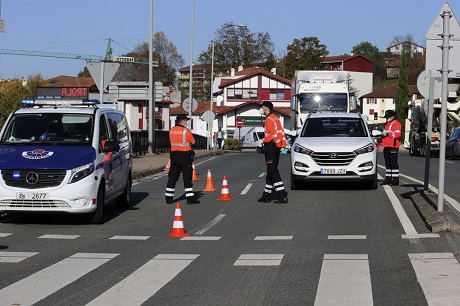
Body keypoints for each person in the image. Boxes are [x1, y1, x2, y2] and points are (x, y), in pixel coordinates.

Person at [165, 114, 200, 205]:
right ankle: (190, 199)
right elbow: (193, 142)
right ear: (183, 121)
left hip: (174, 156)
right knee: (187, 178)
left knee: (172, 177)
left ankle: (169, 198)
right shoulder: (186, 131)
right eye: (186, 121)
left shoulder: (171, 131)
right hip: (185, 156)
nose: (186, 122)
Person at [258, 101, 288, 204]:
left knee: (273, 171)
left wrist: (277, 144)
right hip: (275, 147)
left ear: (266, 108)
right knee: (271, 171)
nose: (261, 109)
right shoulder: (276, 118)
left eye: (262, 107)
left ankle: (282, 195)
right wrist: (282, 145)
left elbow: (274, 134)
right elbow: (281, 132)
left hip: (271, 146)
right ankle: (266, 196)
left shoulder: (269, 119)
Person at [381, 109, 402, 186]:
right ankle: (388, 178)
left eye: (388, 117)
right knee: (387, 164)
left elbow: (397, 135)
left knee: (393, 163)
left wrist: (387, 133)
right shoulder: (387, 123)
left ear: (392, 116)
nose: (387, 118)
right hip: (386, 145)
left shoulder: (396, 123)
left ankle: (395, 180)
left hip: (393, 146)